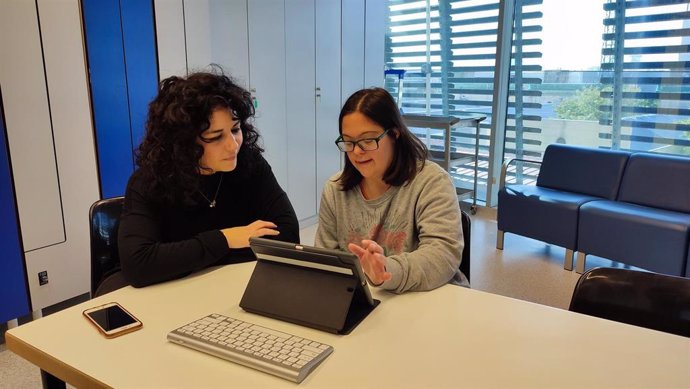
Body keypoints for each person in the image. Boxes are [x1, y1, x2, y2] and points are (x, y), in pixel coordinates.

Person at [118, 70, 299, 288]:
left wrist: (193, 258)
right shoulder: (149, 182)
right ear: (183, 143)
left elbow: (288, 234)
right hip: (174, 295)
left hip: (231, 287)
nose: (233, 145)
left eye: (236, 129)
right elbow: (139, 264)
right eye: (215, 137)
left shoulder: (249, 164)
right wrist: (226, 239)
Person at [315, 87, 467, 293]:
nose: (357, 152)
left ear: (395, 134)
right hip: (367, 301)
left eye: (368, 140)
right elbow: (325, 261)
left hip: (430, 298)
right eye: (349, 142)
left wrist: (386, 270)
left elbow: (442, 256)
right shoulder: (335, 190)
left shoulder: (431, 182)